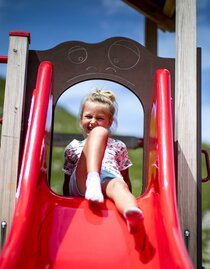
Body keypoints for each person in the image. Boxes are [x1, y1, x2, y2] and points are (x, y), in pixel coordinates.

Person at [63, 89, 144, 233]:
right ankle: (93, 179)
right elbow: (67, 179)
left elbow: (125, 178)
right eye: (88, 116)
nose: (93, 121)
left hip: (108, 181)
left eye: (99, 118)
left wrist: (126, 193)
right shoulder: (74, 146)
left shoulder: (118, 146)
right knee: (99, 133)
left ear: (110, 121)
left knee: (119, 186)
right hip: (84, 181)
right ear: (81, 118)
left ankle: (130, 213)